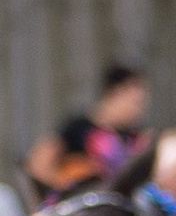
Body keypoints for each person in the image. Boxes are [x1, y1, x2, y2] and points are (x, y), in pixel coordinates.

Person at [23, 63, 149, 198]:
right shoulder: (78, 127)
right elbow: (37, 165)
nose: (140, 110)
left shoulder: (134, 137)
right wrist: (66, 189)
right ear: (115, 93)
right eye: (136, 102)